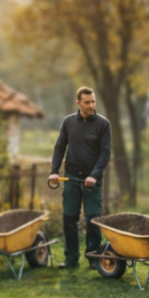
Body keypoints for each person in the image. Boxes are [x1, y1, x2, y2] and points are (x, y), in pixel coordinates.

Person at [49, 87, 112, 268]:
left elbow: (105, 153)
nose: (91, 105)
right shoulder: (68, 122)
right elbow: (59, 147)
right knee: (70, 218)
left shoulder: (103, 124)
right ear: (78, 103)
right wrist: (54, 170)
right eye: (87, 102)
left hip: (93, 180)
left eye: (93, 101)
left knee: (93, 219)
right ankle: (71, 257)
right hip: (71, 178)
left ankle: (93, 258)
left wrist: (94, 175)